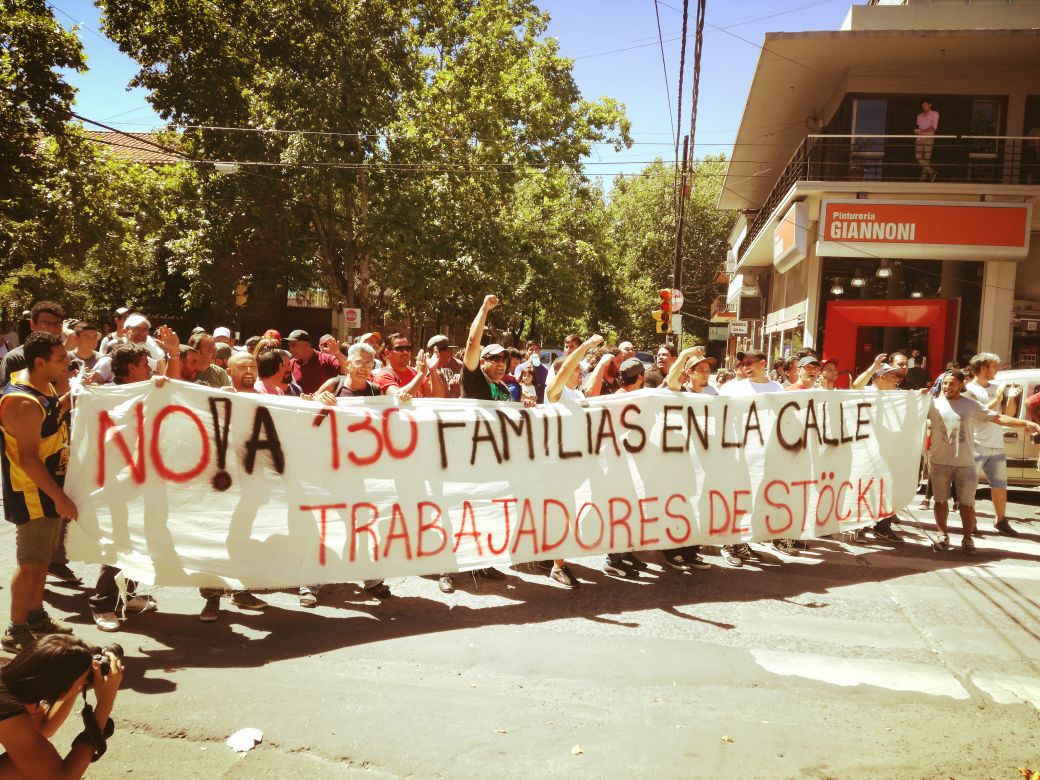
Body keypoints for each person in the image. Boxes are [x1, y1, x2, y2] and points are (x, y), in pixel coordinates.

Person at [0, 332, 76, 653]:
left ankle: (36, 616)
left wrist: (69, 398)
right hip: (33, 489)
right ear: (40, 362)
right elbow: (29, 459)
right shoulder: (21, 401)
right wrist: (59, 498)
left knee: (42, 561)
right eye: (61, 358)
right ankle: (15, 629)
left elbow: (50, 416)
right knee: (30, 563)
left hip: (48, 484)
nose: (67, 362)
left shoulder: (39, 383)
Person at [88, 345, 160, 632]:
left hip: (141, 481)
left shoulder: (140, 389)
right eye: (145, 364)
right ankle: (103, 605)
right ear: (131, 368)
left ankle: (126, 595)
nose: (150, 369)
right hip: (118, 483)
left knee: (141, 542)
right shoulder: (110, 396)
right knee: (120, 543)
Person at [928, 370, 1039, 554]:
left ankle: (968, 538)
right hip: (940, 463)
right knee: (940, 501)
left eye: (952, 383)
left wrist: (1025, 423)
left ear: (961, 385)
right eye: (945, 383)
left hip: (965, 464)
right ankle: (942, 534)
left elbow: (998, 418)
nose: (948, 387)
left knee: (967, 503)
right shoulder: (933, 404)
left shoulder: (971, 405)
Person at [0, 635, 123, 776]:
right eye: (81, 681)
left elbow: (41, 730)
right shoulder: (7, 710)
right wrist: (105, 702)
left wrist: (75, 689)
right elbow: (63, 777)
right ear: (59, 685)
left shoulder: (12, 675)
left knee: (29, 759)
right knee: (22, 770)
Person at [719, 350, 784, 564]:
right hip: (737, 454)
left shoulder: (777, 388)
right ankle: (727, 543)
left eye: (750, 362)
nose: (745, 366)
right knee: (734, 498)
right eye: (743, 363)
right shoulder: (732, 388)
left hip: (764, 455)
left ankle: (740, 541)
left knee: (753, 501)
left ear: (763, 363)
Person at [963, 353, 1023, 536]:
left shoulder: (997, 388)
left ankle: (1001, 520)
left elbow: (1008, 415)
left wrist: (1011, 398)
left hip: (996, 444)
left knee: (1000, 485)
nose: (997, 370)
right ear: (983, 368)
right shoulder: (969, 389)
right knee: (969, 486)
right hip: (976, 444)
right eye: (994, 366)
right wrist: (997, 399)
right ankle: (970, 520)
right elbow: (975, 414)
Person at [1, 301, 66, 387]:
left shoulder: (67, 357)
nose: (52, 329)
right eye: (46, 324)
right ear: (32, 325)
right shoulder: (15, 359)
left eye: (57, 324)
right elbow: (12, 396)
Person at [372, 334, 444, 399]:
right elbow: (397, 398)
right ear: (387, 353)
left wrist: (433, 370)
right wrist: (421, 374)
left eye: (408, 348)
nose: (405, 352)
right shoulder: (383, 375)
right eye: (399, 349)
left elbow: (438, 396)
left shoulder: (415, 373)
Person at [287, 330, 341, 394]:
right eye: (289, 346)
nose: (290, 349)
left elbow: (347, 371)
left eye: (293, 345)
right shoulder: (290, 364)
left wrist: (337, 354)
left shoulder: (327, 359)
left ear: (307, 345)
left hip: (323, 403)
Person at [915, 98, 939, 181]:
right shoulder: (919, 116)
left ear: (930, 105)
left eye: (925, 105)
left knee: (927, 158)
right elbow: (918, 128)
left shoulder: (934, 114)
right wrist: (917, 131)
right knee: (918, 156)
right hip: (919, 138)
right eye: (922, 105)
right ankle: (932, 172)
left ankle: (923, 178)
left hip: (929, 138)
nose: (923, 106)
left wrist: (922, 131)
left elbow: (933, 128)